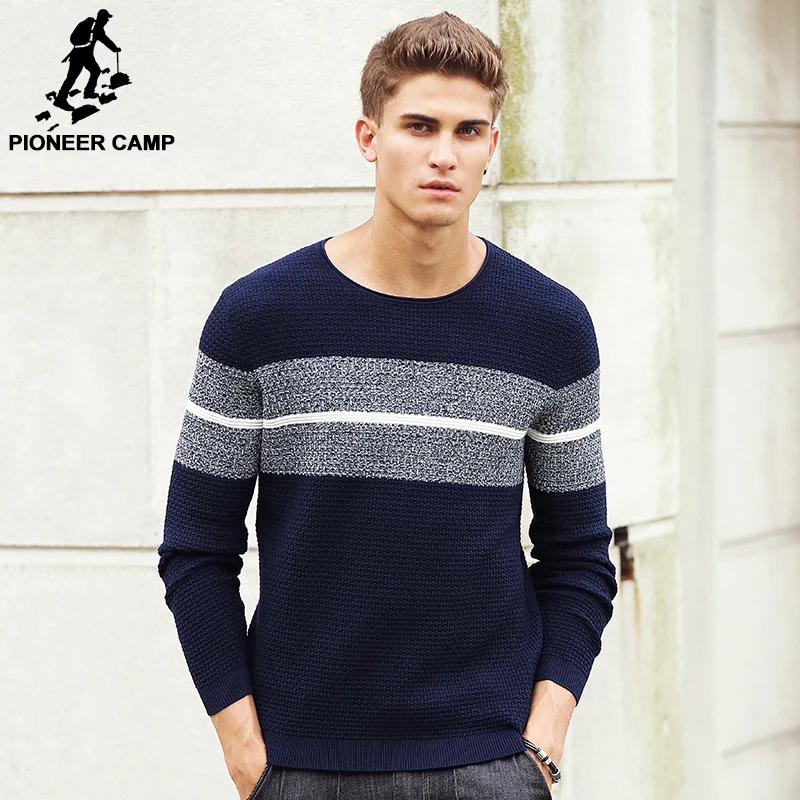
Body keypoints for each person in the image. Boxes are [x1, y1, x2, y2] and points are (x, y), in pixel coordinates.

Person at [157, 11, 618, 800]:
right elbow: (196, 548)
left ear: (492, 146)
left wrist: (543, 739)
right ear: (369, 137)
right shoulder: (259, 318)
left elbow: (578, 554)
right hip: (302, 767)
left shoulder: (550, 328)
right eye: (419, 126)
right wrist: (245, 750)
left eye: (468, 131)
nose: (444, 154)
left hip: (491, 766)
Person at [53, 8, 120, 112]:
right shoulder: (94, 27)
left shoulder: (92, 26)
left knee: (95, 71)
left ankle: (88, 92)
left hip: (85, 56)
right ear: (101, 18)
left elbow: (104, 40)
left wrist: (114, 48)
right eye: (106, 18)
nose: (107, 21)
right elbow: (104, 40)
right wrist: (114, 49)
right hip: (79, 56)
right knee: (72, 77)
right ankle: (60, 100)